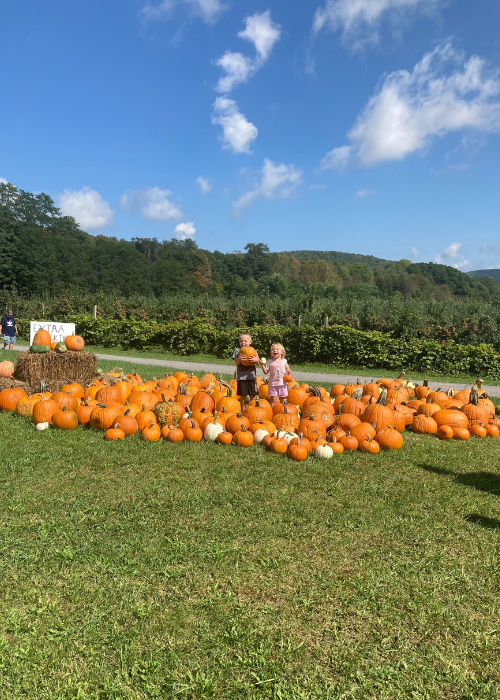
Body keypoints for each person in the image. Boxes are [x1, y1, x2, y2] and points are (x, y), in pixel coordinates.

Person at [232, 332, 260, 411]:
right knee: (242, 395)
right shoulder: (237, 351)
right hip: (241, 377)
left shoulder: (253, 351)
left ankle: (252, 409)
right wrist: (239, 359)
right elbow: (236, 362)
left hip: (251, 376)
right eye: (241, 341)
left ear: (250, 342)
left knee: (252, 394)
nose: (243, 343)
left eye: (245, 341)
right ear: (239, 342)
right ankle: (243, 409)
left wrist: (256, 360)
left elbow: (258, 363)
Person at [261, 342, 291, 407]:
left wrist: (288, 371)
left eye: (277, 349)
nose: (275, 350)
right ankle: (272, 412)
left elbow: (287, 369)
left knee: (282, 400)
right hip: (273, 384)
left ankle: (283, 411)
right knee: (273, 400)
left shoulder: (284, 361)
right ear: (271, 352)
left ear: (282, 352)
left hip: (282, 384)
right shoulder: (270, 362)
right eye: (273, 350)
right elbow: (266, 372)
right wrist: (262, 365)